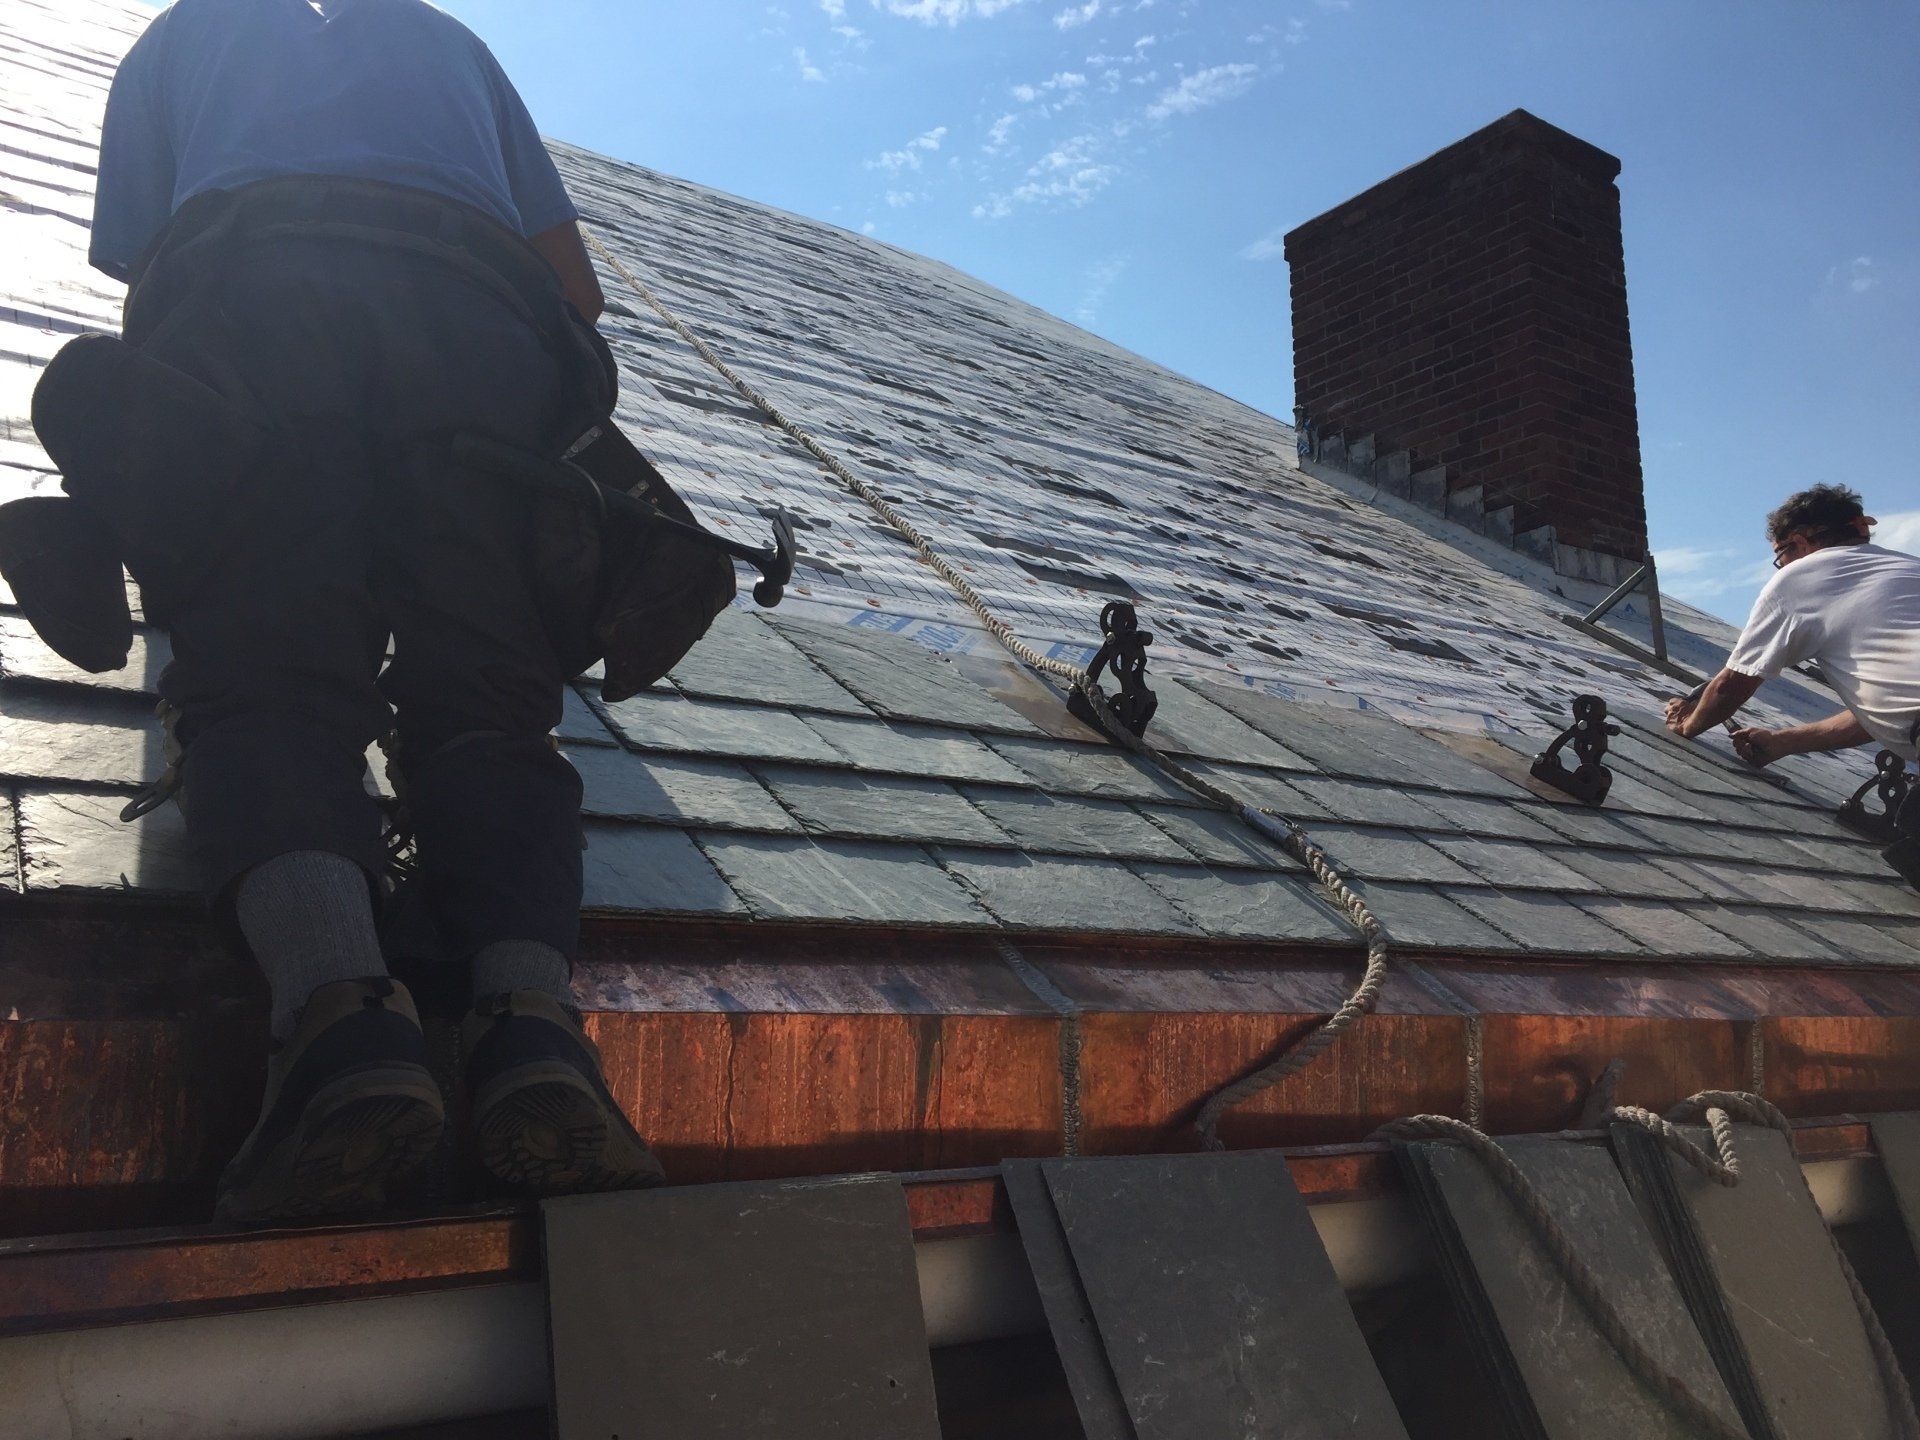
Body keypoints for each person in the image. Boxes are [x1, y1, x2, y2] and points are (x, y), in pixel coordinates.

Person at [78, 0, 662, 1221]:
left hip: (250, 292)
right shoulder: (450, 43)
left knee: (269, 673)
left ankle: (339, 1018)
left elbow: (146, 260)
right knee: (492, 704)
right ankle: (529, 1029)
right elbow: (576, 290)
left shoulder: (181, 37)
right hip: (484, 325)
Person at [1664, 485, 1920, 771]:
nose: (1781, 566)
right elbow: (1885, 712)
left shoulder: (1801, 576)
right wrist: (1783, 742)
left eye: (1779, 556)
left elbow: (1733, 683)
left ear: (1799, 542)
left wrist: (1687, 724)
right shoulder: (1910, 567)